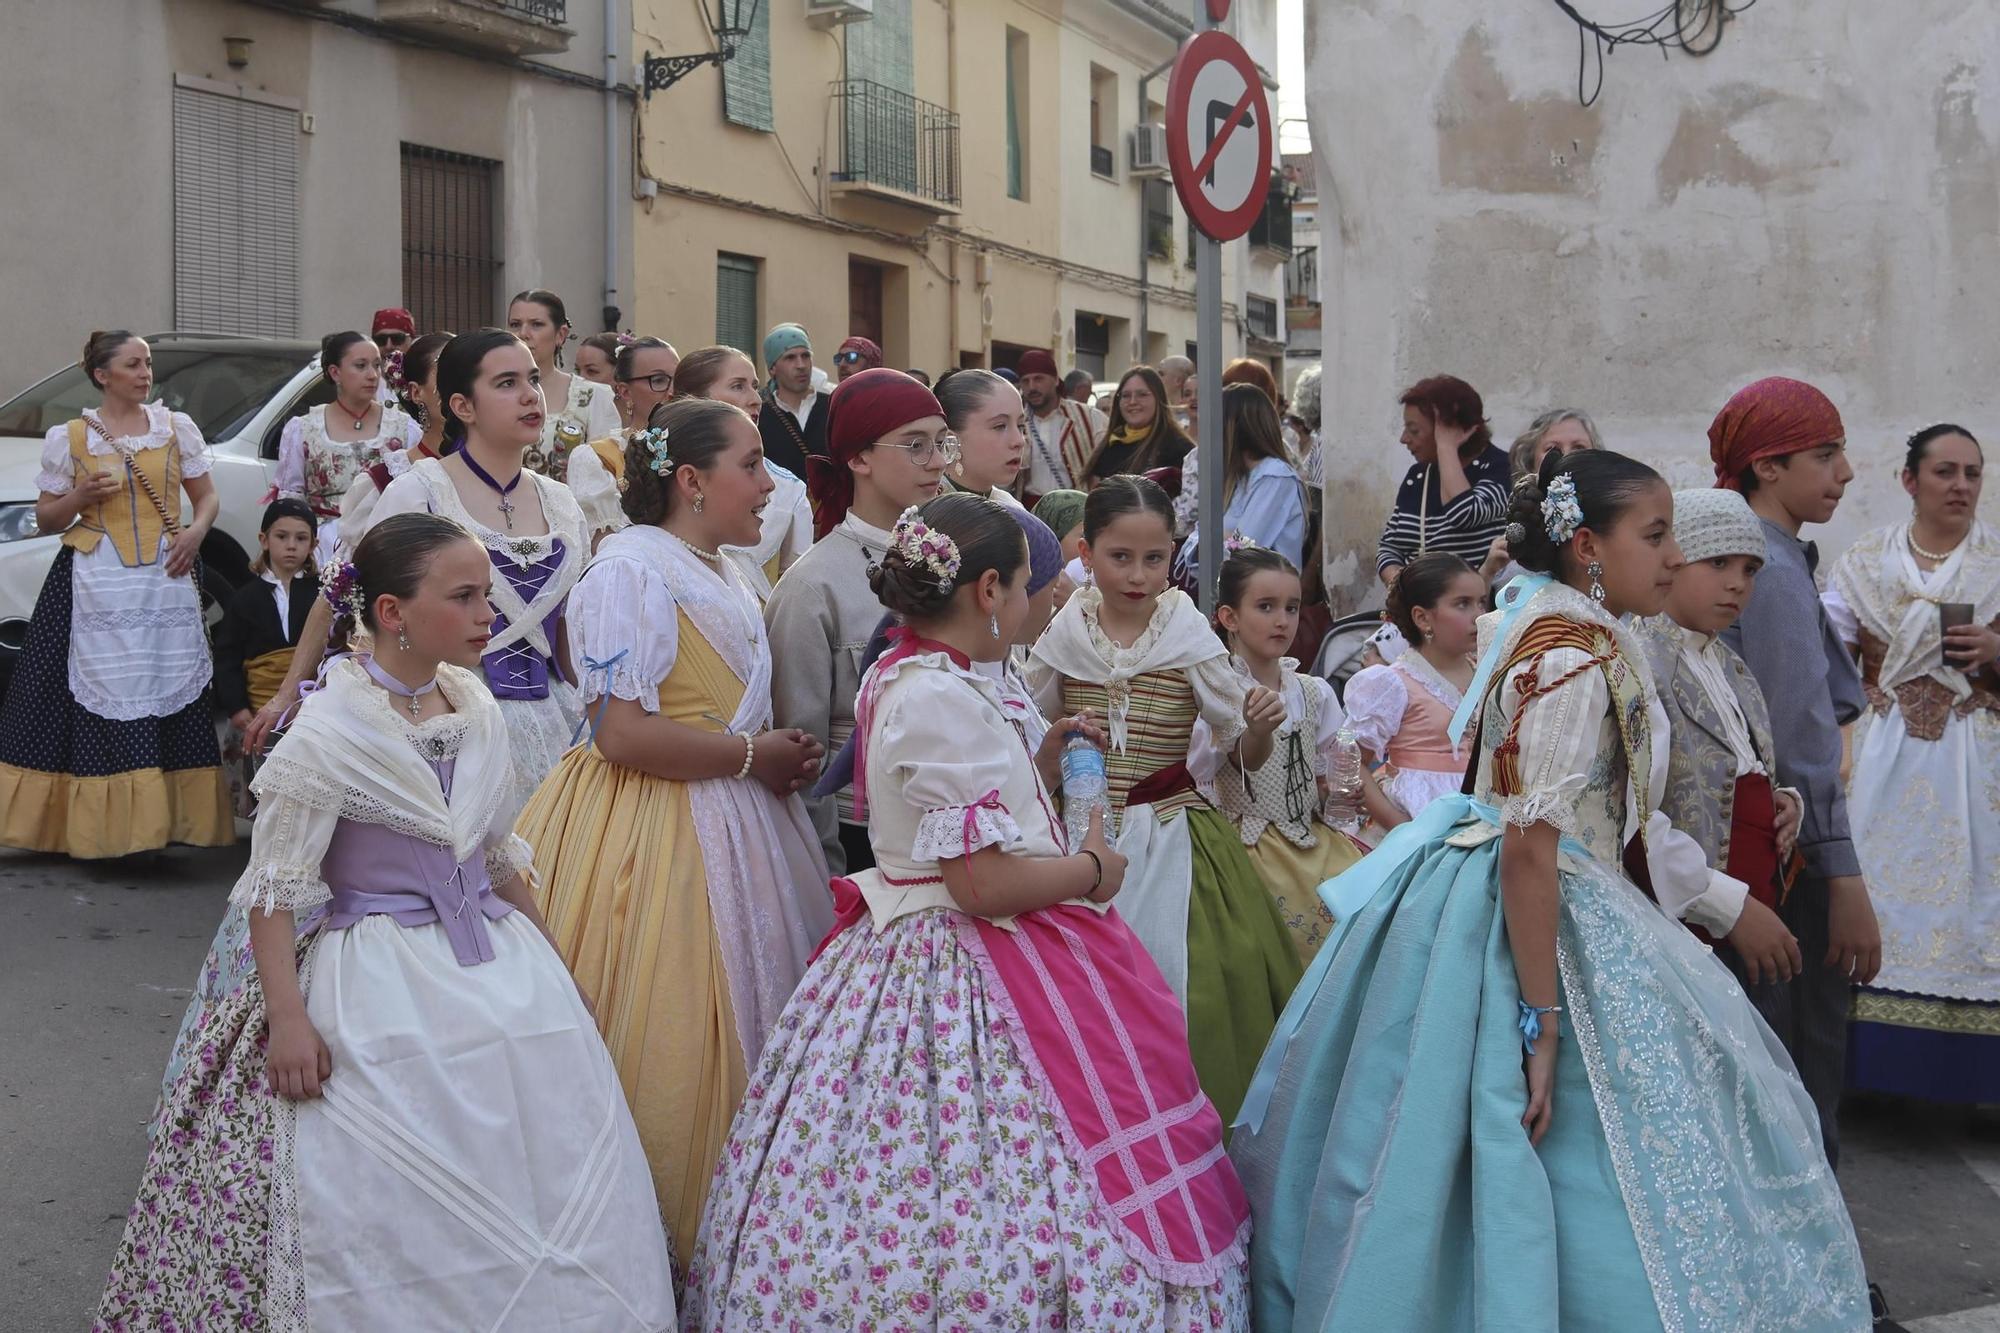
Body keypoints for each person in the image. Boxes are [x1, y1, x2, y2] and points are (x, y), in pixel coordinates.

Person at [1230, 448, 1869, 1333]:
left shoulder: (1546, 621)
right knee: (1548, 1139)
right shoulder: (1573, 650)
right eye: (1656, 537)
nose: (1676, 559)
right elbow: (1532, 847)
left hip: (1515, 886)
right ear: (1587, 546)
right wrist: (1541, 1023)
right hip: (1537, 905)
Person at [92, 513, 677, 1331]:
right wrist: (288, 1021)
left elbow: (498, 853)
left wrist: (560, 965)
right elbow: (274, 889)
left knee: (537, 1155)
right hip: (378, 977)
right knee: (394, 1181)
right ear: (395, 613)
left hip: (502, 969)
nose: (487, 614)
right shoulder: (326, 732)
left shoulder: (473, 701)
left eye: (485, 594)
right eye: (465, 596)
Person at [683, 492, 1252, 1331]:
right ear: (988, 590)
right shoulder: (935, 698)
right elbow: (981, 882)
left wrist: (1044, 758)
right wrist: (1091, 867)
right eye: (1028, 584)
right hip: (958, 959)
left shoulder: (931, 673)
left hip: (959, 941)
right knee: (978, 1176)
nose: (1040, 600)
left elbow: (976, 814)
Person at [518, 397, 834, 1266]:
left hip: (737, 817)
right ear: (692, 481)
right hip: (657, 826)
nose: (770, 482)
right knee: (671, 1027)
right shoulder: (631, 570)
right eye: (751, 463)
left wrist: (771, 755)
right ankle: (655, 1248)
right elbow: (620, 733)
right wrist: (748, 755)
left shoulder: (724, 568)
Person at [1026, 475, 1303, 1123]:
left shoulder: (1188, 631)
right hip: (1074, 838)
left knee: (1186, 992)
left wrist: (1258, 728)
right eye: (1121, 556)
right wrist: (1054, 749)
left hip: (1172, 833)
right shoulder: (1065, 630)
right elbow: (1026, 726)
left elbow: (1241, 753)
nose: (1139, 573)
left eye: (1155, 558)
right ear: (1087, 553)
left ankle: (1182, 1134)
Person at [247, 330, 588, 808]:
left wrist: (594, 710)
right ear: (463, 406)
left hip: (557, 720)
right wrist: (286, 695)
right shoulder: (420, 490)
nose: (531, 395)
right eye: (507, 383)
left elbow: (569, 631)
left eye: (532, 379)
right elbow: (348, 594)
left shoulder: (563, 503)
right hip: (447, 716)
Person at [1711, 375, 1880, 1168]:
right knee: (1804, 1061)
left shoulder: (1774, 556)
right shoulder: (1767, 567)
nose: (1844, 472)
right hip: (1792, 855)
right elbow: (1801, 737)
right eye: (1826, 452)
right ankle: (1826, 1267)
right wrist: (1843, 878)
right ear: (1766, 466)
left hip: (1773, 846)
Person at [0, 330, 234, 858]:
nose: (145, 373)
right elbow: (46, 517)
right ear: (103, 375)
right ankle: (104, 830)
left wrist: (196, 533)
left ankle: (166, 824)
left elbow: (207, 497)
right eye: (133, 364)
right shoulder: (71, 437)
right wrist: (80, 495)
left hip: (164, 579)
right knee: (88, 694)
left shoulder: (176, 429)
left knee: (164, 681)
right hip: (94, 577)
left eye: (147, 364)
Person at [1824, 423, 2000, 1105]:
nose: (1961, 485)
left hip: (1974, 761)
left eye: (1973, 473)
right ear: (1910, 481)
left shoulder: (1996, 566)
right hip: (1877, 758)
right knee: (1867, 895)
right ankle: (1862, 1073)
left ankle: (1968, 1080)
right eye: (1946, 471)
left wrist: (1993, 646)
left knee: (1971, 905)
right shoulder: (1864, 562)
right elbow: (1826, 661)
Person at [772, 368, 951, 874]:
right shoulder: (813, 587)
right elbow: (801, 757)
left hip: (961, 830)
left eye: (942, 443)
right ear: (859, 457)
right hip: (862, 843)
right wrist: (827, 874)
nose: (936, 461)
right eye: (915, 445)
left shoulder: (959, 555)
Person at [1629, 488, 1806, 986]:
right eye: (1719, 562)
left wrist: (1782, 800)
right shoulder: (1642, 662)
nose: (1736, 584)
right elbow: (1636, 819)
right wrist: (1729, 907)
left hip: (1755, 917)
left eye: (1750, 569)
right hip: (1687, 929)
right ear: (1673, 562)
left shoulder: (1731, 667)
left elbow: (1735, 769)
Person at [1195, 543, 1363, 962]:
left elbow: (1329, 767)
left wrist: (1340, 793)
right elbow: (1228, 765)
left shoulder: (1312, 691)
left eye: (1291, 608)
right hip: (1251, 846)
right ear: (1229, 617)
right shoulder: (1219, 696)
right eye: (1266, 607)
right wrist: (1256, 731)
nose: (1282, 620)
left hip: (1313, 837)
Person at [1343, 552, 1480, 841]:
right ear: (1422, 617)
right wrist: (1403, 828)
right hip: (1417, 818)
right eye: (1462, 604)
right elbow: (1352, 759)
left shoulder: (1488, 672)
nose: (1479, 615)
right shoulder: (1392, 682)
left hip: (1483, 814)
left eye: (1481, 602)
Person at [673, 344, 813, 601]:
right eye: (738, 386)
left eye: (754, 385)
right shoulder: (660, 474)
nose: (756, 398)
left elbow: (797, 588)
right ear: (694, 399)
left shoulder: (786, 488)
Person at [274, 331, 422, 566]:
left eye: (376, 365)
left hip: (385, 544)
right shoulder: (303, 428)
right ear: (335, 372)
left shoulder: (404, 427)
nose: (372, 375)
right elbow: (291, 497)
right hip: (322, 548)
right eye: (360, 366)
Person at [1376, 373, 1513, 588]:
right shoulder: (1418, 477)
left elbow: (1464, 513)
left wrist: (1447, 448)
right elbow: (1390, 546)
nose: (1404, 439)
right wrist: (1401, 586)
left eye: (1414, 430)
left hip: (1484, 608)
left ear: (1454, 430)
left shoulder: (1500, 468)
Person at [335, 329, 453, 556]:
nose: (462, 390)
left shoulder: (499, 471)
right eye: (447, 378)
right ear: (416, 392)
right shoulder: (386, 481)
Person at [215, 499, 322, 739]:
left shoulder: (323, 594)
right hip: (260, 709)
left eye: (301, 538)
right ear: (264, 540)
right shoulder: (244, 599)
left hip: (313, 710)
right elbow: (227, 656)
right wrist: (236, 706)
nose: (291, 546)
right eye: (282, 537)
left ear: (314, 544)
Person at [1181, 382, 1310, 578]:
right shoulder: (1237, 476)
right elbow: (1193, 548)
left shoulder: (1275, 477)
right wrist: (1218, 539)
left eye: (1215, 421)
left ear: (1234, 426)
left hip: (1265, 598)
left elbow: (1244, 550)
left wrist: (1215, 539)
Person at [569, 335, 681, 542]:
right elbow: (602, 545)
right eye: (658, 380)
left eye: (679, 379)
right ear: (625, 391)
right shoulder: (598, 458)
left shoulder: (700, 448)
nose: (673, 391)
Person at [1480, 408, 1604, 587]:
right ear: (1530, 462)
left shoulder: (1616, 521)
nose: (1567, 455)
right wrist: (1488, 572)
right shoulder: (1515, 531)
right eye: (1552, 449)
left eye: (1579, 447)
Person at [506, 288, 622, 480]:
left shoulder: (594, 396)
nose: (523, 333)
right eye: (515, 324)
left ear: (560, 334)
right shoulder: (491, 393)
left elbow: (609, 474)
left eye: (536, 324)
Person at [1081, 364, 1194, 487]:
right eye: (1126, 396)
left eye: (1142, 395)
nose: (1133, 402)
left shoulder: (1178, 448)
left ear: (1158, 398)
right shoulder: (1111, 444)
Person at [1018, 348, 1107, 502]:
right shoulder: (1016, 422)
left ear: (1056, 380)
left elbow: (1107, 468)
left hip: (1078, 509)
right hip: (1031, 511)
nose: (1032, 387)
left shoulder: (1090, 417)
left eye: (1038, 379)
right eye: (1026, 381)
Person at [935, 366, 1027, 507]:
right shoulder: (920, 516)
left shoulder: (1013, 509)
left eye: (1021, 426)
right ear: (950, 441)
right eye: (1000, 426)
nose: (1019, 441)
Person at [759, 321, 832, 475]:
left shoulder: (833, 406)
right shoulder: (759, 414)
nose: (801, 365)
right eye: (790, 358)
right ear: (772, 368)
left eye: (805, 356)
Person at [1035, 486, 1089, 611]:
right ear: (1054, 535)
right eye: (1084, 535)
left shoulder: (1090, 581)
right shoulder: (1027, 590)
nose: (1092, 544)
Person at [368, 306, 415, 402]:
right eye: (381, 340)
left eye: (397, 338)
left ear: (411, 340)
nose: (388, 346)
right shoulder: (364, 382)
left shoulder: (424, 381)